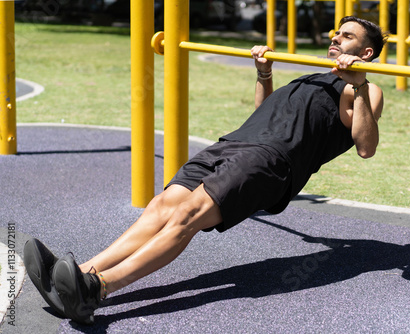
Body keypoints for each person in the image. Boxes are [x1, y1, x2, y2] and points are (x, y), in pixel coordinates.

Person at [24, 16, 386, 325]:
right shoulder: (312, 77)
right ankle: (82, 272)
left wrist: (359, 83)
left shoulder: (363, 89)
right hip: (234, 144)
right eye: (336, 34)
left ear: (366, 52)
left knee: (187, 216)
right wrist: (264, 75)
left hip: (271, 160)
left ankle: (97, 289)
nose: (336, 38)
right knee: (160, 207)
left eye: (348, 36)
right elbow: (261, 114)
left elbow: (366, 147)